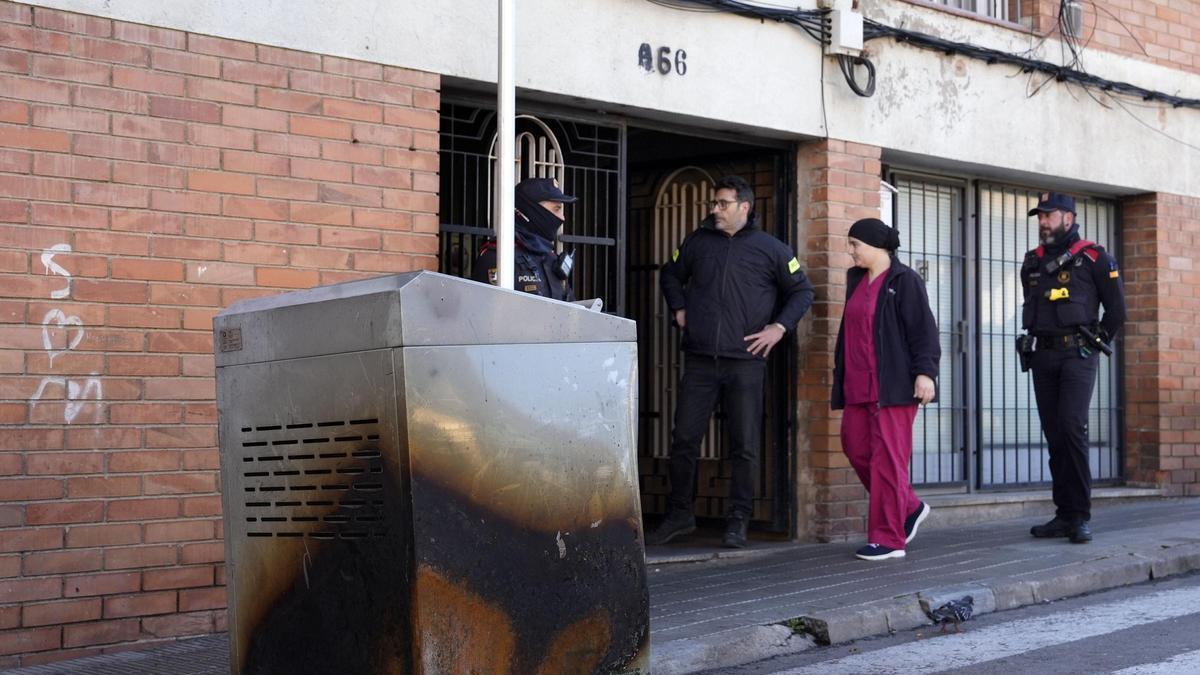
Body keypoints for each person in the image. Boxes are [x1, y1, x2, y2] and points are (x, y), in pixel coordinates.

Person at [648, 175, 814, 549]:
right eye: (714, 203)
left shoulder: (772, 249)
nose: (715, 209)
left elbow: (802, 291)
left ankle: (738, 520)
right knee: (684, 439)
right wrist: (679, 307)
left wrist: (779, 328)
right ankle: (679, 515)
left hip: (745, 361)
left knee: (744, 444)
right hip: (700, 359)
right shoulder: (697, 242)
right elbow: (670, 274)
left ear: (744, 207)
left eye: (722, 203)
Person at [831, 217, 941, 561]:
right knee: (855, 447)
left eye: (855, 244)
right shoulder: (856, 279)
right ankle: (908, 506)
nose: (851, 251)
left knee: (888, 461)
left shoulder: (904, 280)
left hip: (893, 386)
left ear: (877, 245)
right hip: (857, 384)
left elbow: (923, 330)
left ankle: (890, 539)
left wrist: (925, 373)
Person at [1019, 192, 1126, 544]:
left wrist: (1096, 341)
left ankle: (1079, 516)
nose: (1043, 222)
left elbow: (1116, 311)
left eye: (1049, 215)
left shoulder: (1094, 258)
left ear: (1068, 218)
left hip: (1077, 356)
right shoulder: (1032, 262)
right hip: (1043, 357)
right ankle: (1063, 514)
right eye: (1040, 216)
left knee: (1071, 427)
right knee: (1054, 434)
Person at [473, 177, 576, 301]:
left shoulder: (551, 259)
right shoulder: (500, 257)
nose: (562, 218)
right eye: (556, 209)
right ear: (532, 210)